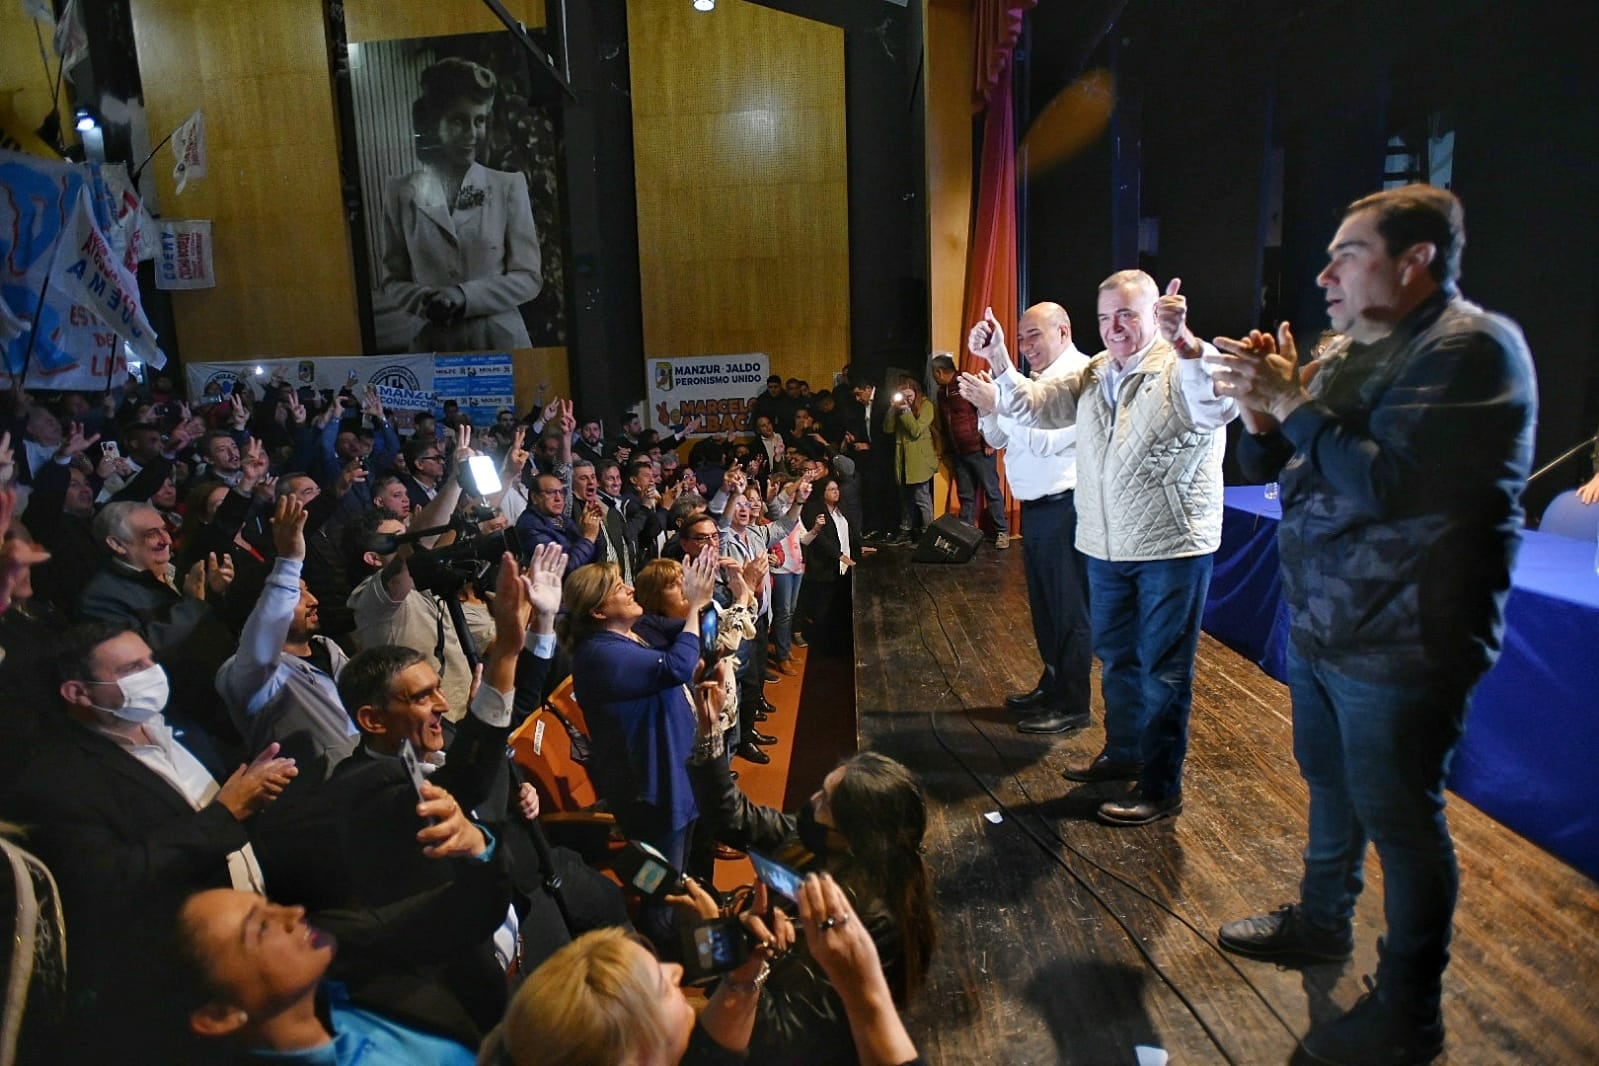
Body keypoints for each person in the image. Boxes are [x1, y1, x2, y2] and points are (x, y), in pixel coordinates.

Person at [1208, 184, 1537, 1065]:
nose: (1322, 275)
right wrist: (1259, 408)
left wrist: (1293, 404)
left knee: (1400, 817)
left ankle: (1408, 1009)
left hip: (1405, 634)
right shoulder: (1357, 345)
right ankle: (1321, 924)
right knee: (1328, 781)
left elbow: (1392, 484)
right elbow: (1277, 459)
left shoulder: (1470, 350)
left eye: (1346, 253)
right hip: (1326, 619)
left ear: (1415, 258)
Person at [960, 271, 1238, 826]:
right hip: (1107, 545)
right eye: (1106, 317)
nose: (1114, 328)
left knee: (1163, 671)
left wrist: (1185, 342)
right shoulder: (1095, 372)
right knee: (1118, 660)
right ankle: (1125, 752)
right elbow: (1035, 406)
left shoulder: (1181, 366)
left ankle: (1160, 786)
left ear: (1157, 313)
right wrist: (999, 360)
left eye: (1128, 315)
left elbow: (1217, 405)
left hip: (1169, 547)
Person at [0, 624, 296, 1062]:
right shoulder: (57, 782)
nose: (151, 674)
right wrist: (226, 813)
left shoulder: (172, 727)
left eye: (150, 660)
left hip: (260, 938)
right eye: (131, 668)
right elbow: (113, 881)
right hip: (191, 986)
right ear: (78, 693)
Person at [688, 732, 935, 1066]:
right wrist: (710, 735)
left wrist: (726, 945)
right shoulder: (812, 840)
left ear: (853, 835)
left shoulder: (869, 923)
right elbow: (732, 819)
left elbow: (784, 1037)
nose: (812, 801)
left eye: (825, 803)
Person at [559, 551, 718, 936]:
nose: (631, 588)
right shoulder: (600, 655)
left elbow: (681, 633)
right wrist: (695, 604)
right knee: (660, 886)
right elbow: (678, 665)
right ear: (598, 612)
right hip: (653, 787)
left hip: (675, 775)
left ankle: (690, 927)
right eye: (619, 587)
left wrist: (699, 602)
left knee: (684, 871)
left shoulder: (629, 633)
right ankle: (663, 955)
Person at [961, 302, 1094, 735]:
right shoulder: (1032, 381)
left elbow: (1041, 443)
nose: (1026, 346)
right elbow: (998, 437)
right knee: (1044, 607)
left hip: (1067, 507)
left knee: (1069, 608)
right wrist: (988, 407)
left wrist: (1001, 401)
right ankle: (1053, 682)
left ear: (1064, 331)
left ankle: (1073, 703)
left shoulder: (1081, 376)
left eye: (1034, 335)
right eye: (1020, 338)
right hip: (1038, 510)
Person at [175, 887, 480, 1064]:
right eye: (262, 928)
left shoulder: (353, 985)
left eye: (270, 905)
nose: (293, 912)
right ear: (218, 1015)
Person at [380, 57, 542, 353]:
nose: (472, 133)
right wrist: (426, 302)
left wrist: (463, 296)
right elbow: (392, 280)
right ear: (431, 123)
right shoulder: (400, 192)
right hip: (434, 344)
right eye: (458, 120)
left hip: (501, 342)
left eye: (479, 120)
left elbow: (529, 278)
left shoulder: (508, 186)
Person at [930, 353, 1009, 547]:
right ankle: (966, 536)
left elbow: (987, 409)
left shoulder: (967, 383)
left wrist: (989, 441)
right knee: (966, 495)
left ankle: (1002, 532)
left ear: (939, 372)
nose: (934, 377)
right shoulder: (942, 393)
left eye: (934, 373)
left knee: (991, 491)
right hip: (959, 452)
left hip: (979, 449)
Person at [883, 375, 936, 545]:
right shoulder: (898, 408)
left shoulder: (927, 406)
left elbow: (915, 430)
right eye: (903, 396)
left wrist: (906, 411)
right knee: (905, 499)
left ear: (916, 393)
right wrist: (892, 409)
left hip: (920, 460)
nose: (906, 399)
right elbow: (888, 429)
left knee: (922, 499)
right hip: (903, 459)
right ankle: (905, 531)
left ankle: (928, 533)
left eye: (909, 396)